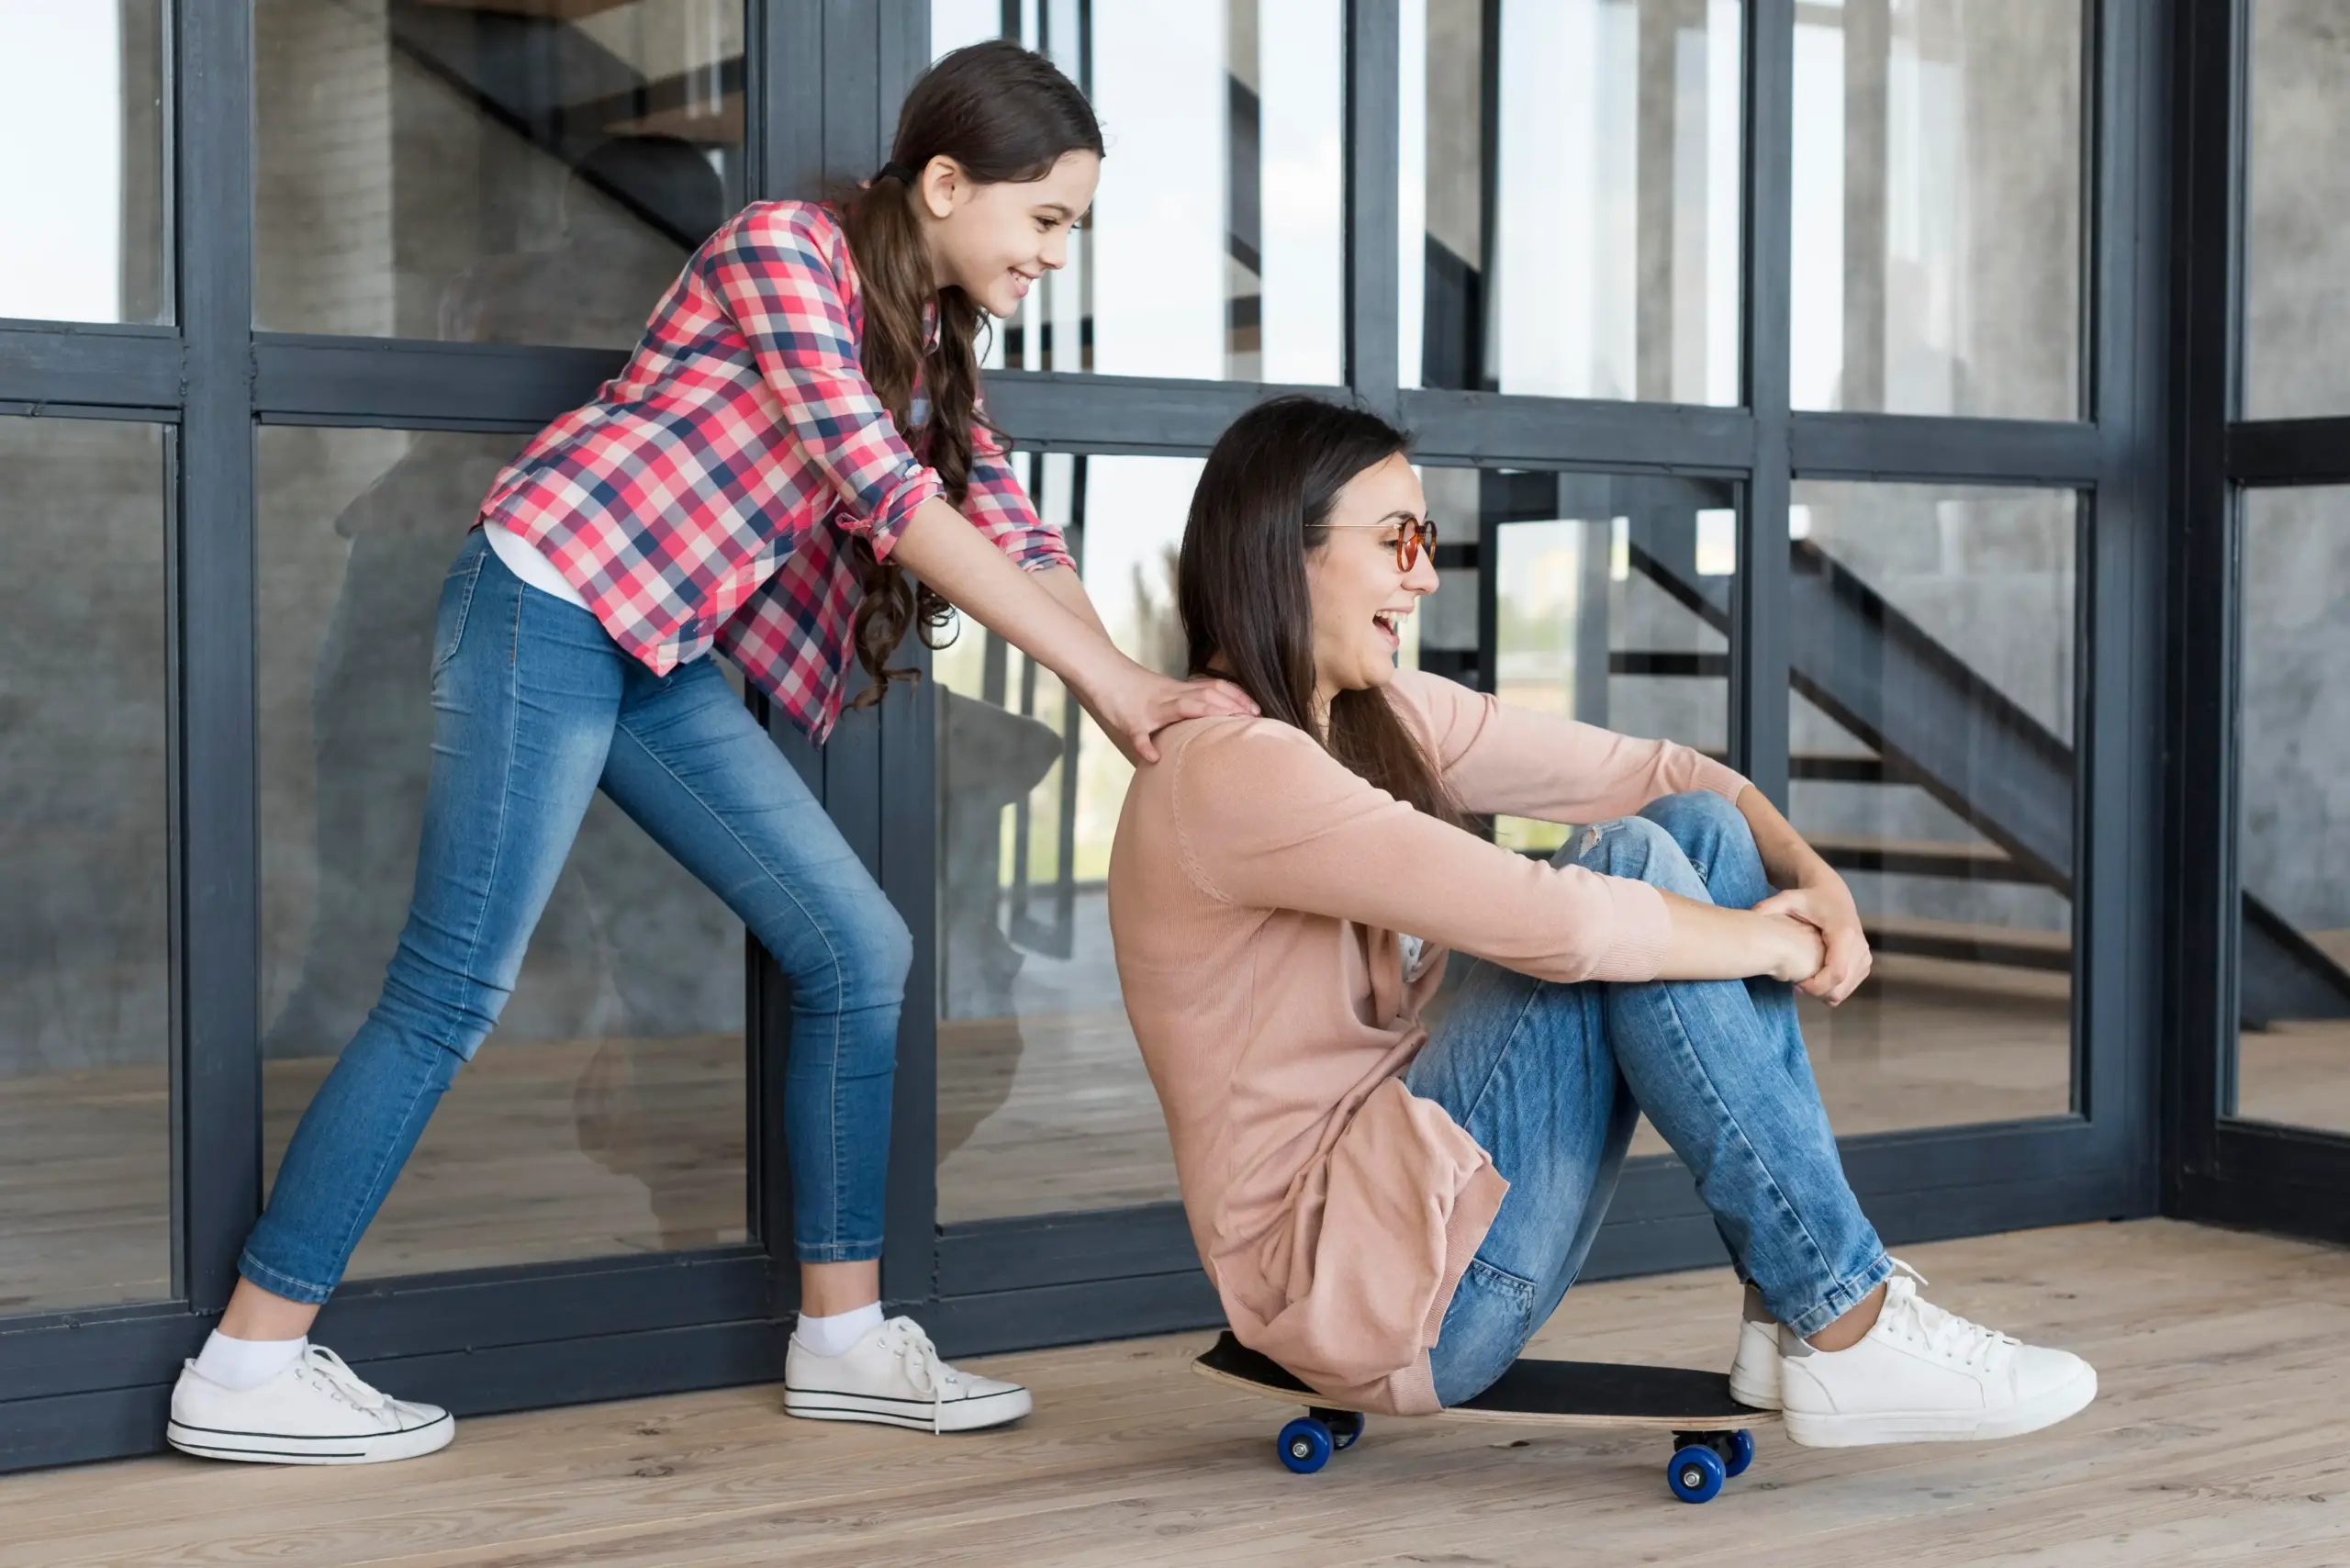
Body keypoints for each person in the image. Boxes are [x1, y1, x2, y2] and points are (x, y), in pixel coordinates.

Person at [168, 39, 1254, 1465]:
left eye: (1074, 228)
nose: (1057, 253)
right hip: (546, 600)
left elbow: (1008, 525)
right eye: (1045, 217)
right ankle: (246, 1365)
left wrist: (1141, 693)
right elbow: (882, 494)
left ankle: (843, 1338)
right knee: (452, 990)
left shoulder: (927, 348)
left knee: (854, 948)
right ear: (945, 184)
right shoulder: (782, 250)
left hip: (656, 647)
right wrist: (1107, 683)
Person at [1108, 396, 2098, 1446]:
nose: (1424, 574)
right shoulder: (1231, 770)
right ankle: (1844, 1318)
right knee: (1623, 869)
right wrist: (1780, 942)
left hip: (1431, 1216)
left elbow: (1661, 772)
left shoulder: (1371, 717)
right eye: (1397, 539)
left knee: (1698, 830)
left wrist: (1818, 883)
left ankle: (1791, 1316)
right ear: (1284, 549)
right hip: (1362, 1297)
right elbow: (1558, 923)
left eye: (1425, 539)